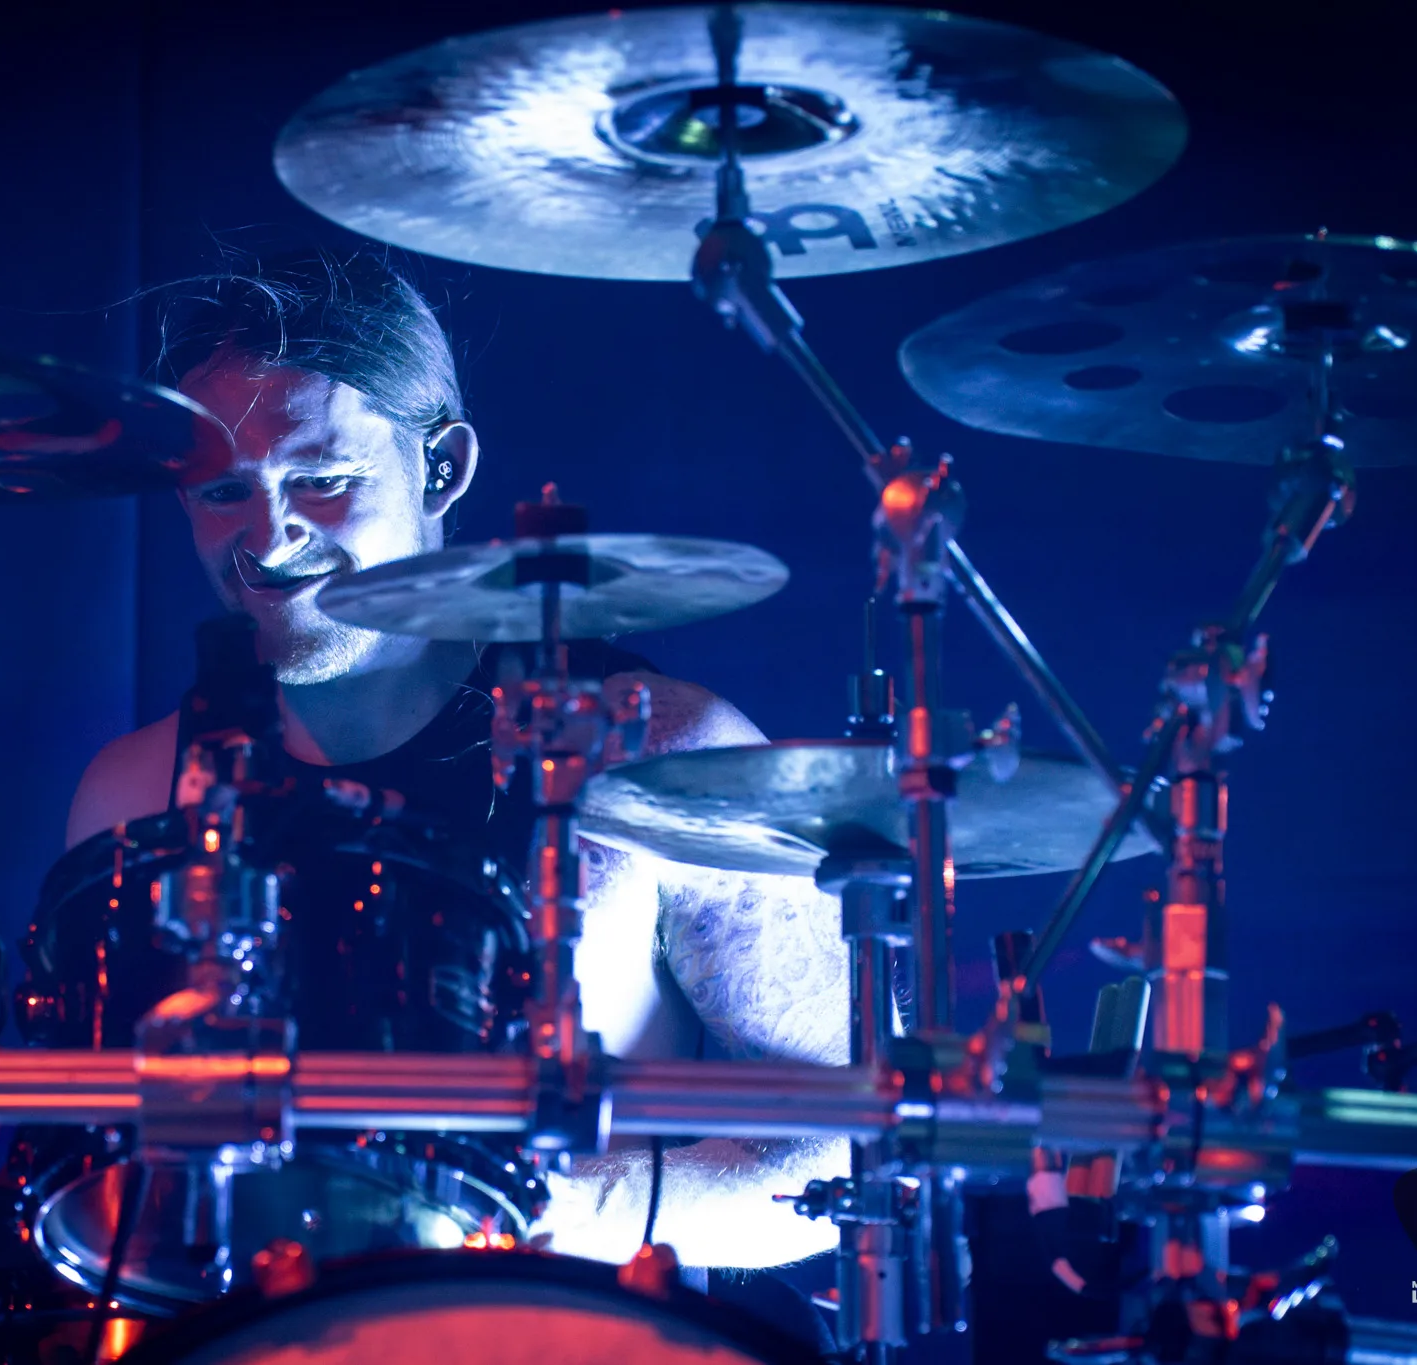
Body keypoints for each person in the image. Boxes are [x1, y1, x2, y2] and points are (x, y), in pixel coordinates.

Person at [67, 252, 848, 1272]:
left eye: (321, 479)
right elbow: (95, 1172)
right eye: (221, 491)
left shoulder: (661, 755)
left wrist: (569, 1207)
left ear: (440, 468)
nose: (267, 534)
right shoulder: (134, 793)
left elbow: (846, 1150)